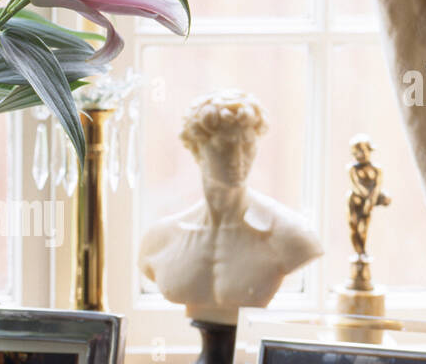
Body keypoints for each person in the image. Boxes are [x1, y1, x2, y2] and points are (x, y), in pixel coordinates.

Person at [138, 90, 322, 325]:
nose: (237, 158)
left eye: (247, 146)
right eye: (223, 147)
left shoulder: (291, 235)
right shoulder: (160, 240)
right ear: (196, 150)